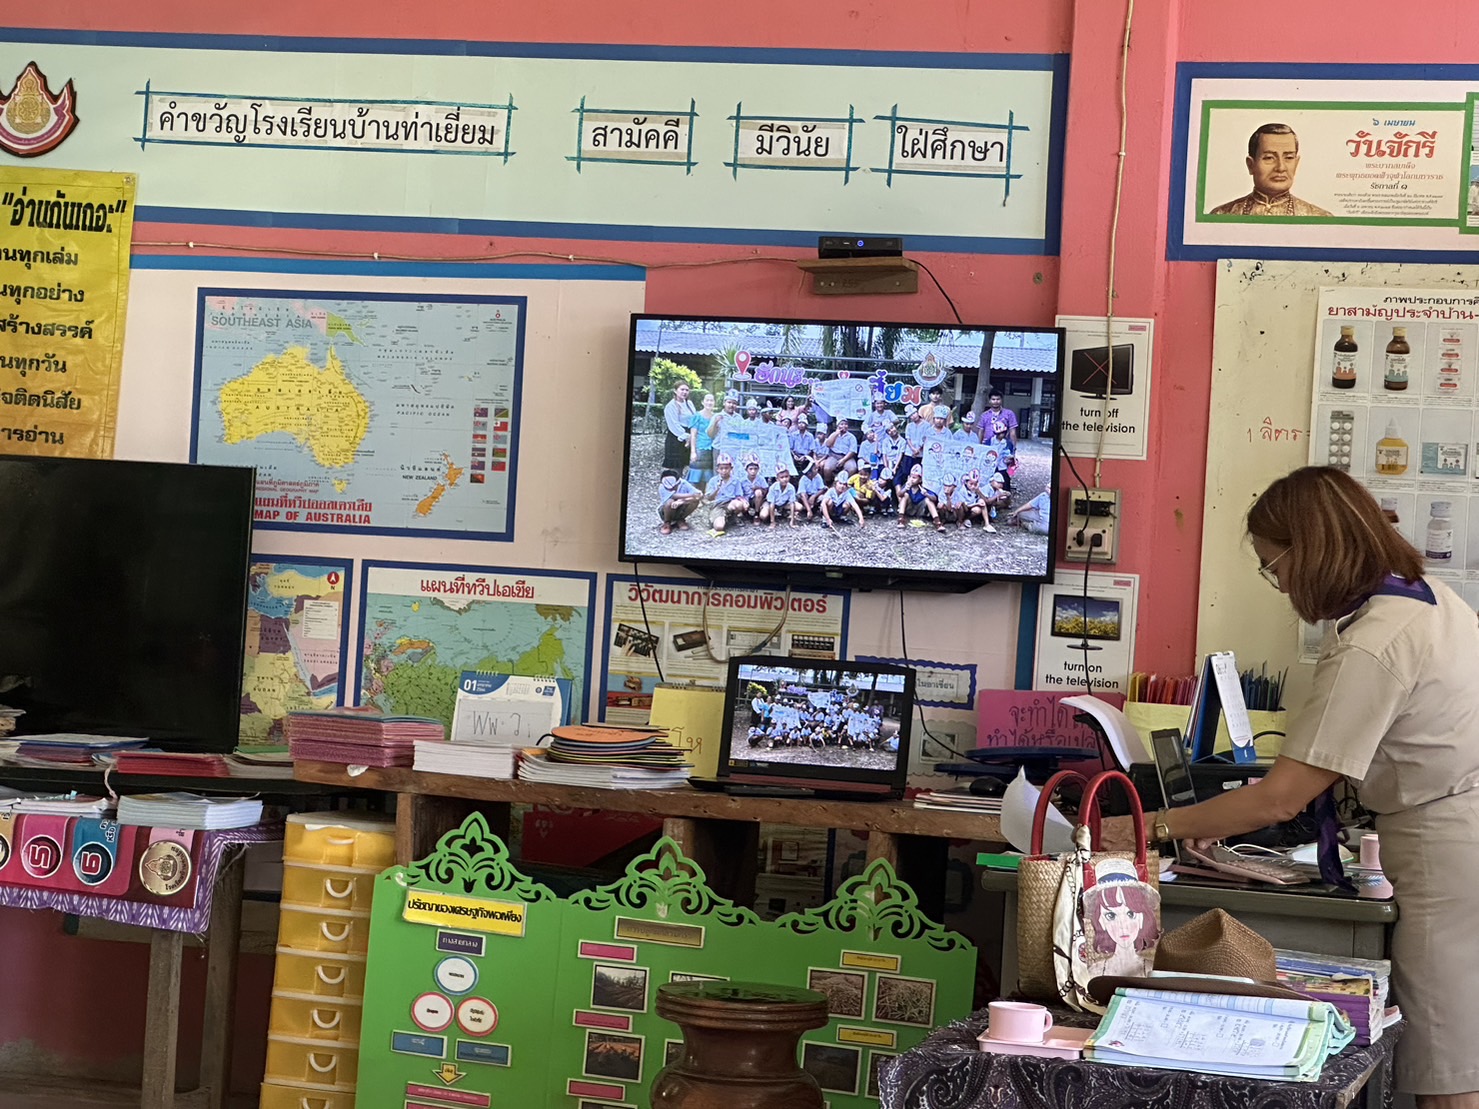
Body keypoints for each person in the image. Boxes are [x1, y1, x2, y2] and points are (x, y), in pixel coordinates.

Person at [1150, 466, 1479, 1106]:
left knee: (1447, 1068)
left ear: (1311, 550)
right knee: (1457, 1052)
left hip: (1448, 847)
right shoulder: (1425, 597)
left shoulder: (1376, 641)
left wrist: (1154, 826)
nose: (1280, 585)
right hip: (1449, 828)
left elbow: (1281, 798)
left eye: (1274, 566)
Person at [1210, 122, 1333, 218]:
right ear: (1250, 165)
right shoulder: (1222, 215)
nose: (1281, 167)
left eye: (1289, 158)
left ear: (1296, 164)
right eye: (1269, 158)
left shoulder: (1320, 217)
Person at [704, 453, 749, 533]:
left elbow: (739, 495)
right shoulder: (713, 481)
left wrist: (744, 502)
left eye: (726, 468)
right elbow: (709, 498)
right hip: (718, 505)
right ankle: (720, 518)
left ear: (731, 468)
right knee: (719, 527)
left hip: (730, 503)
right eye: (721, 468)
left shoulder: (735, 480)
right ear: (717, 469)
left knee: (738, 504)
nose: (724, 471)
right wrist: (717, 489)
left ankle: (734, 516)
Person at [656, 469, 702, 535]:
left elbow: (699, 495)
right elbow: (673, 496)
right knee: (670, 502)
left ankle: (680, 519)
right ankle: (667, 522)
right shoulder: (662, 487)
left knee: (695, 501)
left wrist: (682, 501)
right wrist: (691, 495)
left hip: (681, 508)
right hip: (666, 511)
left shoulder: (684, 483)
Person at [663, 381, 696, 470]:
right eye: (682, 389)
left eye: (687, 390)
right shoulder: (671, 406)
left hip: (690, 436)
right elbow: (673, 425)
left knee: (689, 466)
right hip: (676, 438)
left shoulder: (689, 403)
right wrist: (686, 436)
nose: (684, 392)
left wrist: (693, 435)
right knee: (676, 469)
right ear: (675, 391)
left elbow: (694, 418)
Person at [687, 392, 717, 486]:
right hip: (700, 449)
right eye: (707, 400)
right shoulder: (697, 416)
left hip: (712, 449)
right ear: (703, 402)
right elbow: (693, 435)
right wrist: (693, 452)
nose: (709, 403)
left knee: (708, 478)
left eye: (711, 400)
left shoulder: (715, 417)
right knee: (695, 477)